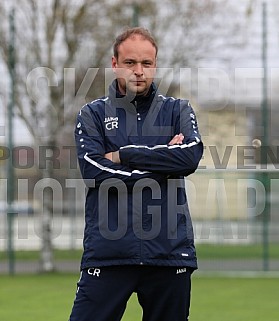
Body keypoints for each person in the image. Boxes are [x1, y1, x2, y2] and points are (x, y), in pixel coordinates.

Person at [68, 27, 203, 321]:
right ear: (114, 64)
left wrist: (125, 155)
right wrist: (163, 163)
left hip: (168, 255)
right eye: (130, 63)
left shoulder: (178, 110)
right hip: (108, 254)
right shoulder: (92, 115)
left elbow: (190, 156)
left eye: (147, 63)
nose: (138, 71)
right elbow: (95, 170)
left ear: (155, 65)